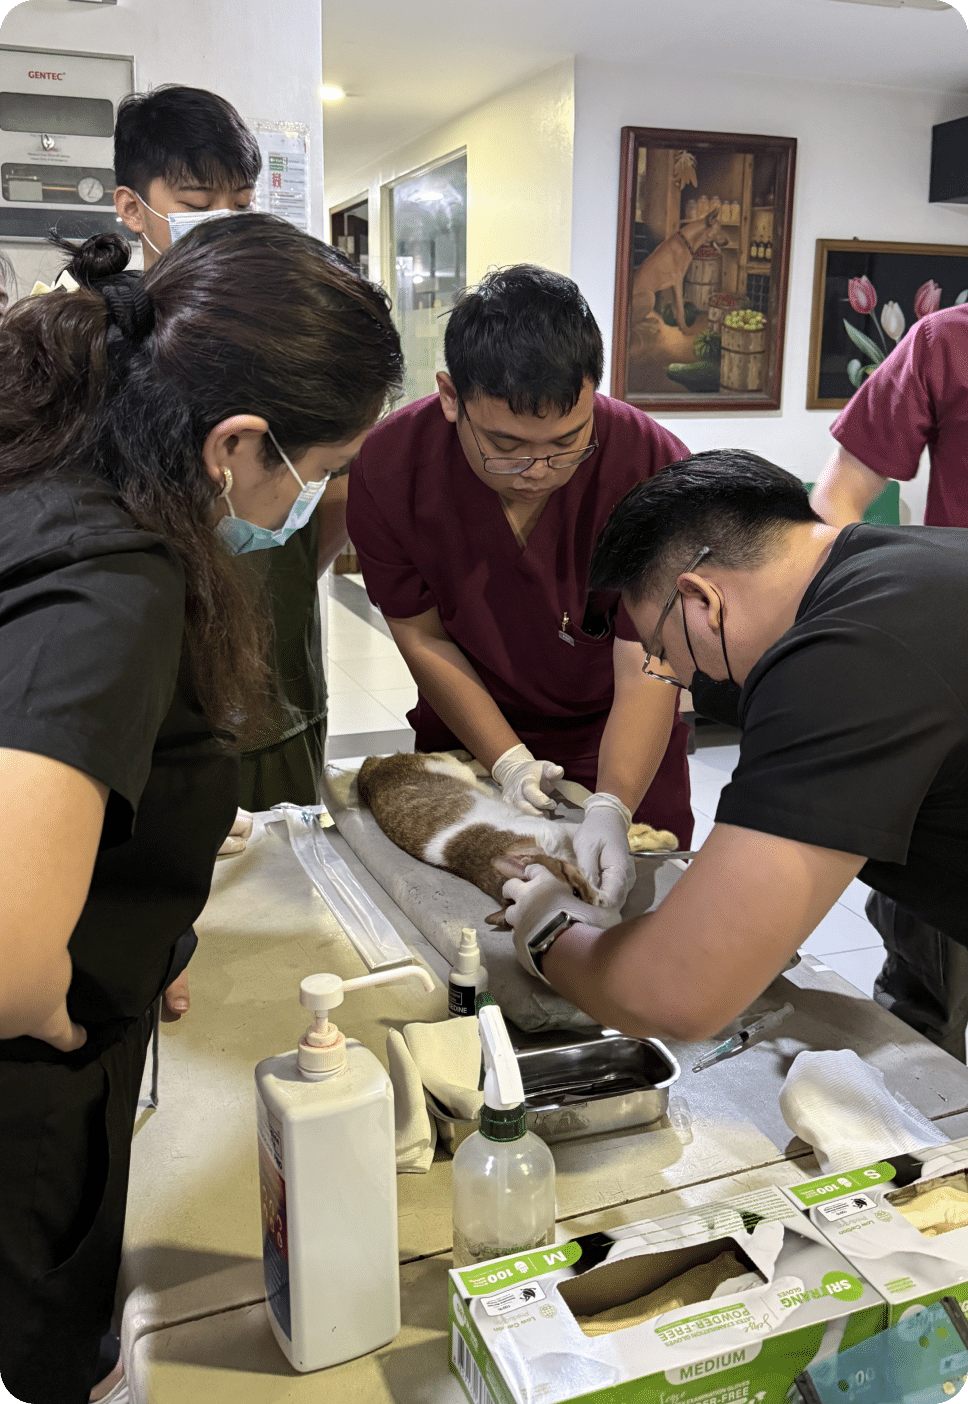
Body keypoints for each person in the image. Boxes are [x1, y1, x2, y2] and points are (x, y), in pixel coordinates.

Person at [0, 214, 402, 1404]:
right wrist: (68, 1013)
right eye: (317, 471)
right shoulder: (111, 581)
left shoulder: (49, 454)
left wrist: (143, 930)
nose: (308, 503)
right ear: (236, 444)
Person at [500, 451, 968, 1048]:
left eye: (664, 651)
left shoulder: (843, 661)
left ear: (701, 601)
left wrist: (547, 928)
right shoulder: (902, 565)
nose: (676, 678)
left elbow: (673, 993)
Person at [347, 265, 693, 909]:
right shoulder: (392, 466)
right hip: (468, 727)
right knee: (469, 923)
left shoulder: (651, 464)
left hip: (618, 734)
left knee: (639, 924)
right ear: (451, 397)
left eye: (568, 444)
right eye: (506, 446)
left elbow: (650, 659)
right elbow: (420, 634)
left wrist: (613, 805)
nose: (539, 471)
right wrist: (507, 760)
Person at [114, 84, 350, 812]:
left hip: (277, 681)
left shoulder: (283, 324)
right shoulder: (108, 341)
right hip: (150, 709)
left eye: (242, 203)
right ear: (132, 208)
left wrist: (265, 556)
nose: (223, 222)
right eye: (196, 202)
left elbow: (333, 477)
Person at [810, 304, 968, 1058]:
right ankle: (922, 1157)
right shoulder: (947, 341)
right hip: (956, 680)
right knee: (928, 981)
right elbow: (835, 502)